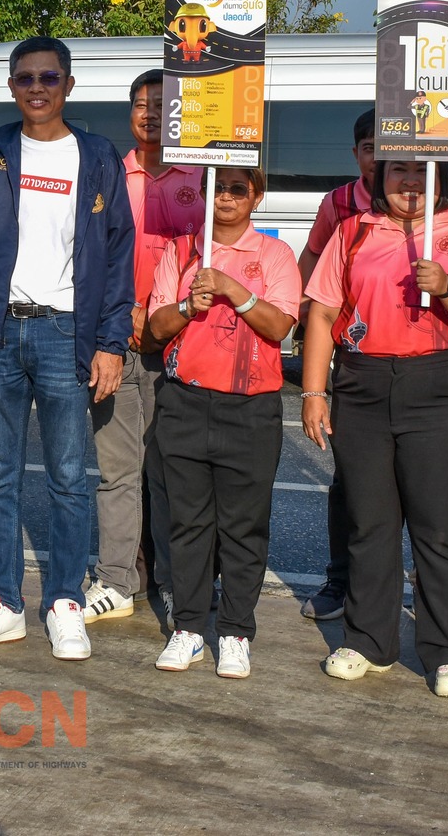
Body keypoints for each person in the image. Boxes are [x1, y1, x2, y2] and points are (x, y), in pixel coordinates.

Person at [0, 37, 133, 660]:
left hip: (65, 333)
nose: (37, 88)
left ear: (68, 85)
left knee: (69, 478)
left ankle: (64, 603)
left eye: (49, 77)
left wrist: (111, 341)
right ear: (11, 87)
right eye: (25, 78)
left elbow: (119, 254)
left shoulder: (97, 156)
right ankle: (0, 602)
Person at [300, 158, 448, 699]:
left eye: (423, 170)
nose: (410, 181)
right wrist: (315, 392)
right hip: (362, 384)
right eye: (398, 170)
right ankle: (368, 640)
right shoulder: (353, 231)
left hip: (440, 385)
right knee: (369, 521)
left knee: (441, 526)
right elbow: (321, 314)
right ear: (380, 177)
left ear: (441, 178)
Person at [145, 165, 299, 679]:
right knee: (188, 523)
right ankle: (189, 627)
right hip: (185, 402)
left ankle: (235, 632)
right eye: (217, 188)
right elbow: (154, 328)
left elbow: (280, 325)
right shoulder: (181, 251)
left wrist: (236, 290)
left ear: (256, 195)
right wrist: (188, 305)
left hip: (250, 408)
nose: (226, 197)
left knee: (243, 527)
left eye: (238, 188)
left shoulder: (274, 254)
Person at [86, 68, 200, 624]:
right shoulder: (108, 172)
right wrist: (122, 315)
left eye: (163, 105)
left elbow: (210, 258)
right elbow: (90, 252)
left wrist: (158, 315)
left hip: (178, 342)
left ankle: (180, 584)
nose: (151, 115)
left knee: (172, 473)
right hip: (114, 339)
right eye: (141, 105)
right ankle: (116, 581)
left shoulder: (201, 178)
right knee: (118, 471)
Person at [294, 108, 376, 623]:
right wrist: (300, 311)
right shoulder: (340, 203)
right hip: (353, 356)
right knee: (350, 480)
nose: (378, 158)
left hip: (414, 362)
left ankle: (419, 584)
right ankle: (340, 581)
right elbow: (310, 259)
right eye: (369, 148)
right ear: (355, 153)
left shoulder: (431, 196)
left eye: (387, 148)